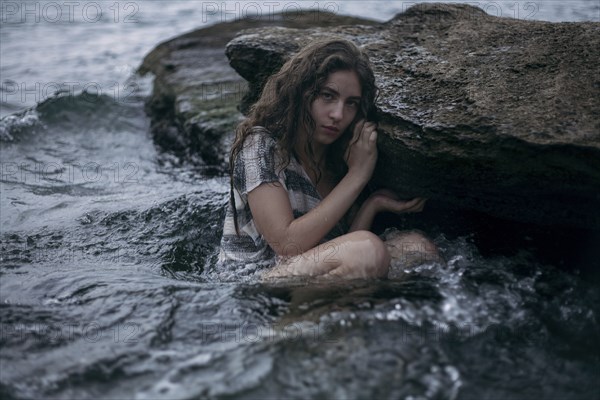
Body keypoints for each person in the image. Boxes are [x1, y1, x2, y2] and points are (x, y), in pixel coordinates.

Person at [219, 39, 440, 279]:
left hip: (308, 277)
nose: (338, 114)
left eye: (351, 104)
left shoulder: (336, 159)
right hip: (254, 284)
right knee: (367, 249)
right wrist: (358, 174)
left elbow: (338, 247)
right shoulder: (260, 145)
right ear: (302, 92)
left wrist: (372, 204)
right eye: (327, 96)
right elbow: (287, 244)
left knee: (417, 248)